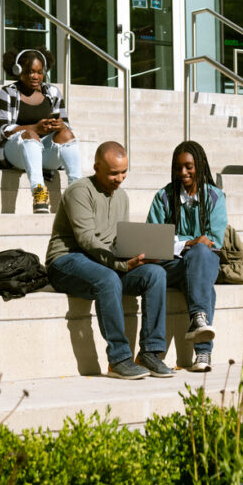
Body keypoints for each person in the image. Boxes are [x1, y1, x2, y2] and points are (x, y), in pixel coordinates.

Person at [46, 141, 175, 380]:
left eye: (124, 172)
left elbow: (116, 241)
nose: (120, 178)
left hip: (103, 262)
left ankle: (150, 352)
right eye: (114, 173)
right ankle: (118, 359)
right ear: (96, 167)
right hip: (67, 260)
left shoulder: (122, 197)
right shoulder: (79, 191)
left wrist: (138, 254)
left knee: (156, 274)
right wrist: (119, 265)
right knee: (107, 279)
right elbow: (86, 240)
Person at [147, 141, 226, 373]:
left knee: (202, 255)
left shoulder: (215, 197)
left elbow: (214, 241)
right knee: (201, 275)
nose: (183, 173)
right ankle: (203, 346)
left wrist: (180, 243)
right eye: (178, 167)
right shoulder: (163, 197)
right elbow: (154, 238)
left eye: (189, 167)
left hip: (202, 262)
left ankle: (199, 325)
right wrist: (189, 242)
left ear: (200, 166)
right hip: (172, 266)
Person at [0, 48, 82, 214]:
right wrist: (34, 128)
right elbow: (2, 131)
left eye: (39, 72)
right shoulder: (7, 93)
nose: (35, 76)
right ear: (18, 71)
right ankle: (39, 194)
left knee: (67, 135)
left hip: (44, 152)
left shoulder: (53, 92)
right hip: (15, 150)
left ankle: (77, 193)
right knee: (31, 135)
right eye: (30, 72)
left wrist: (59, 126)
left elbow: (66, 124)